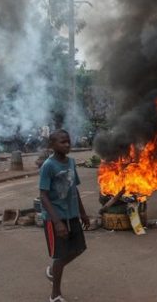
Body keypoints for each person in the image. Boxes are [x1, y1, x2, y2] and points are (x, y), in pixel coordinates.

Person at [39, 129, 90, 302]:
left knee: (80, 248)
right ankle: (55, 295)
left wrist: (82, 213)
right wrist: (57, 222)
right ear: (52, 145)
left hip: (72, 215)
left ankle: (53, 270)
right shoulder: (48, 166)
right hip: (55, 218)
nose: (67, 144)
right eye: (62, 142)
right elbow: (43, 196)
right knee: (60, 256)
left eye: (68, 141)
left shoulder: (71, 162)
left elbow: (74, 187)